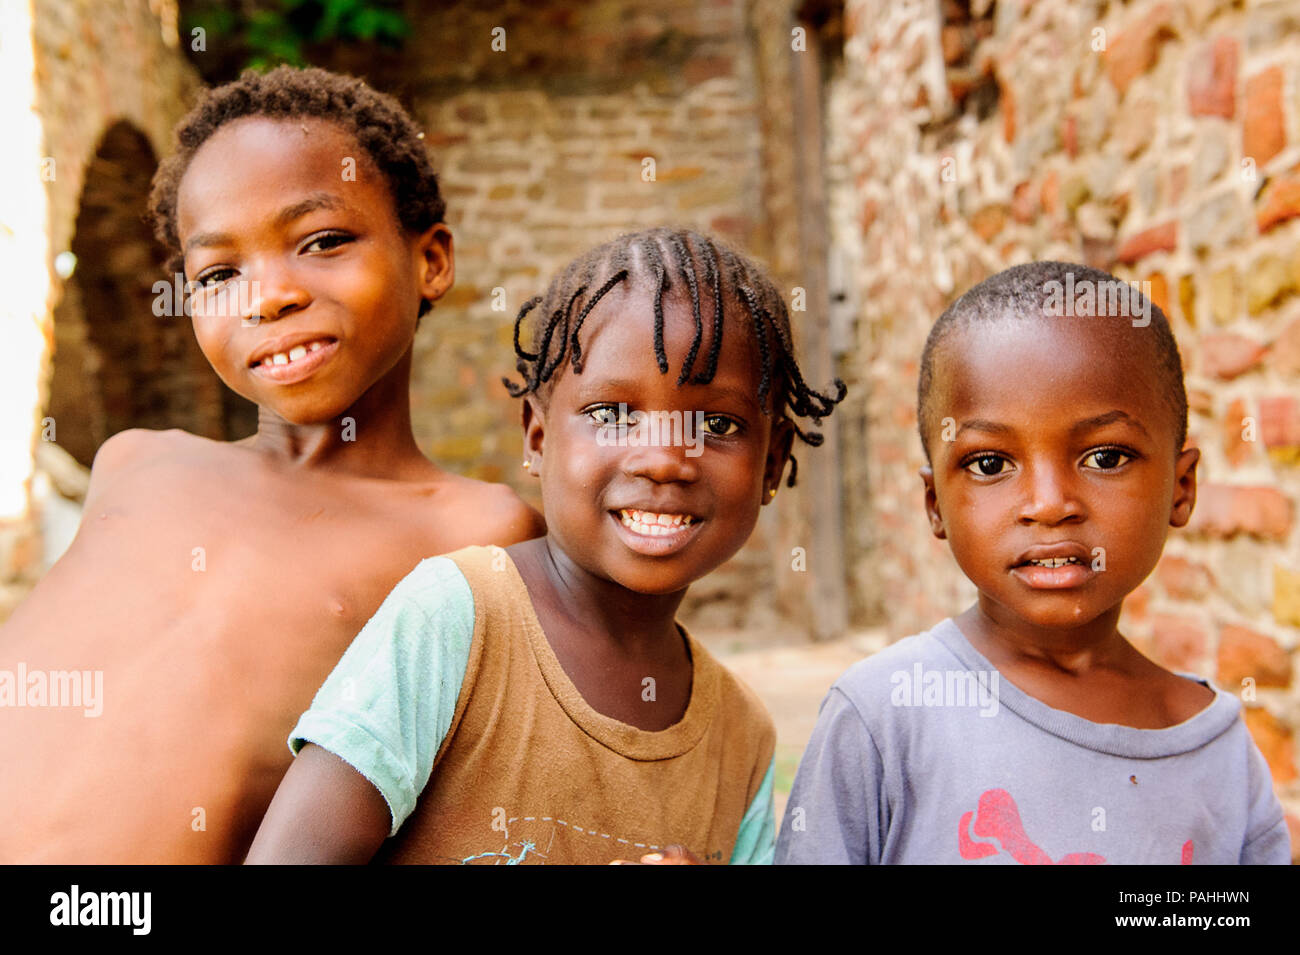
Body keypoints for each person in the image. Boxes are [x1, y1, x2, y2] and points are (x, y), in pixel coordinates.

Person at [0, 66, 543, 863]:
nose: (269, 296)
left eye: (321, 241)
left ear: (430, 259)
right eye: (220, 273)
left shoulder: (477, 531)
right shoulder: (138, 463)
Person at [245, 227, 848, 864]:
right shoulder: (457, 621)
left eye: (717, 424)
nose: (665, 460)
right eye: (612, 414)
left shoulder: (739, 738)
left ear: (773, 464)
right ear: (537, 437)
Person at [776, 261, 1290, 865]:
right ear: (934, 502)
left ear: (1181, 488)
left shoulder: (1216, 749)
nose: (1049, 504)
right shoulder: (883, 717)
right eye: (990, 464)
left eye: (1105, 457)